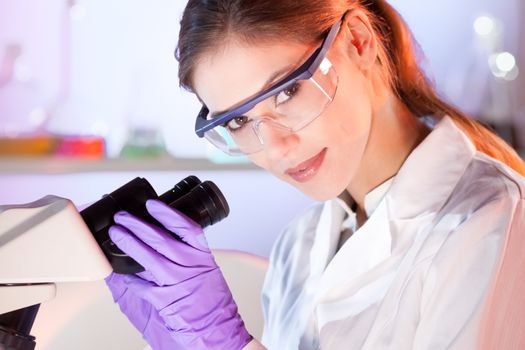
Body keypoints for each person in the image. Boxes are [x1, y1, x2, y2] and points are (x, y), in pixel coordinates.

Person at [105, 0, 525, 349]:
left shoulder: (497, 222)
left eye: (287, 91)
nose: (275, 148)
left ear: (358, 41)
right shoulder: (298, 247)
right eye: (236, 122)